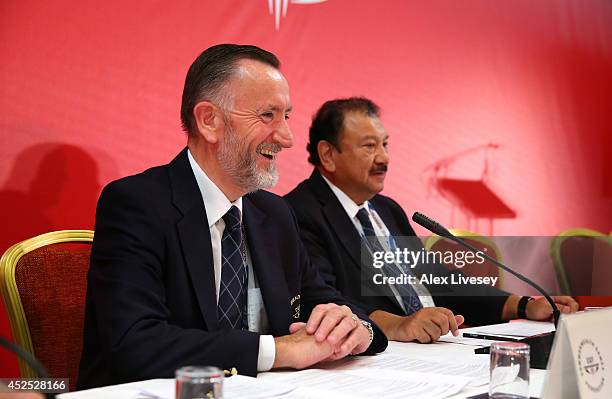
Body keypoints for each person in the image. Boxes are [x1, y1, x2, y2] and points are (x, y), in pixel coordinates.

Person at [78, 47, 386, 389]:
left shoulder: (275, 214)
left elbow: (331, 301)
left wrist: (356, 329)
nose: (287, 138)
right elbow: (134, 343)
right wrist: (278, 351)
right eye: (268, 115)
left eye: (287, 116)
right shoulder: (138, 204)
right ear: (209, 120)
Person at [284, 97, 579, 344]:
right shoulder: (299, 213)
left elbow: (439, 281)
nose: (384, 158)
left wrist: (524, 305)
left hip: (441, 343)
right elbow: (323, 300)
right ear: (328, 155)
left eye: (385, 144)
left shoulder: (386, 209)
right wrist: (400, 325)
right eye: (369, 146)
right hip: (382, 354)